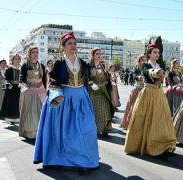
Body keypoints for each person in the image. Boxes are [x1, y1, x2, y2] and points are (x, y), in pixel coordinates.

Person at [34, 32, 99, 171]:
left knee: (88, 128)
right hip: (65, 98)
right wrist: (56, 93)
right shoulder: (59, 63)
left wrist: (91, 83)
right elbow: (53, 79)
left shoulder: (82, 62)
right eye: (69, 43)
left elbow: (86, 77)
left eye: (74, 43)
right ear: (62, 47)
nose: (73, 46)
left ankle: (84, 157)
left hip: (81, 98)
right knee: (66, 131)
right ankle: (68, 158)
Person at [124, 44, 176, 156]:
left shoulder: (159, 65)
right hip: (148, 93)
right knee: (145, 118)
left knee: (160, 118)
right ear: (149, 54)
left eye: (158, 52)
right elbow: (147, 73)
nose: (157, 54)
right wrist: (156, 72)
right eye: (154, 52)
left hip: (159, 93)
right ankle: (146, 144)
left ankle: (161, 142)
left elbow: (162, 80)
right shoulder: (145, 65)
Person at [19, 47, 47, 139]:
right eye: (33, 52)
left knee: (39, 112)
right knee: (30, 112)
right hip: (29, 91)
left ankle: (39, 132)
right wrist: (23, 86)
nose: (35, 54)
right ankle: (30, 133)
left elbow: (44, 79)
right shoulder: (25, 65)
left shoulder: (41, 65)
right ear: (29, 54)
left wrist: (46, 89)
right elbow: (22, 77)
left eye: (37, 52)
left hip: (40, 91)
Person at [88, 47, 114, 137]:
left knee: (105, 110)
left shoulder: (102, 66)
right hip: (92, 92)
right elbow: (86, 78)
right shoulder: (89, 66)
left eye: (100, 54)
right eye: (97, 54)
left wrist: (106, 82)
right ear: (93, 55)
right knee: (95, 111)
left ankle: (105, 129)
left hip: (103, 91)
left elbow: (106, 79)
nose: (99, 55)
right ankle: (95, 130)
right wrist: (91, 84)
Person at [120, 55, 146, 129]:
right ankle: (129, 123)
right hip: (137, 89)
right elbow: (134, 75)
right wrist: (138, 77)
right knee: (133, 106)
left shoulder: (147, 68)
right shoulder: (137, 68)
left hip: (145, 89)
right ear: (139, 61)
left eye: (144, 60)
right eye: (142, 60)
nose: (143, 62)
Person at [0, 54, 21, 124]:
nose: (17, 60)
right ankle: (11, 119)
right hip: (11, 89)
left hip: (19, 89)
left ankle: (18, 118)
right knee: (11, 104)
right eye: (15, 59)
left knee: (18, 104)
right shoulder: (9, 69)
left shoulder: (22, 69)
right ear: (13, 60)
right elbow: (6, 79)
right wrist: (8, 84)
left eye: (18, 59)